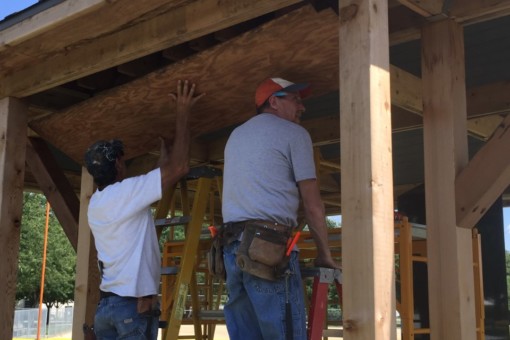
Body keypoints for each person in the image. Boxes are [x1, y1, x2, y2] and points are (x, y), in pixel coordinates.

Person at [84, 80, 204, 340]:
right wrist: (183, 111)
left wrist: (162, 164)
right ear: (118, 164)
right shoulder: (124, 194)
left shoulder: (96, 203)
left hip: (107, 309)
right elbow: (181, 167)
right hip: (131, 309)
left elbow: (150, 186)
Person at [222, 77, 339, 340]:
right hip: (267, 251)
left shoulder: (235, 135)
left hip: (231, 251)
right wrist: (325, 255)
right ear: (273, 102)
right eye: (296, 100)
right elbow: (312, 204)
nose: (302, 107)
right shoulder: (295, 134)